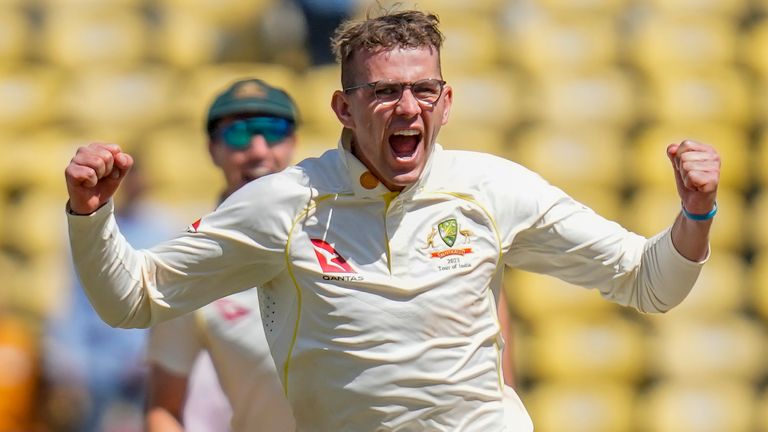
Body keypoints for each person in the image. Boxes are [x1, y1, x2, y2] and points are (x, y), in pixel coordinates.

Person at [63, 9, 720, 431]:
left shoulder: (492, 187)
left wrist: (696, 213)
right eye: (383, 92)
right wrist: (91, 217)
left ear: (446, 101)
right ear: (344, 108)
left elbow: (648, 281)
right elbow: (133, 299)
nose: (408, 107)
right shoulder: (284, 202)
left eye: (423, 90)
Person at [144, 78, 300, 431]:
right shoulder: (185, 264)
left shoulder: (339, 230)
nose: (259, 150)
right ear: (212, 149)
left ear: (293, 142)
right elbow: (163, 409)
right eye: (238, 133)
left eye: (273, 130)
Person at [45, 160, 174, 432]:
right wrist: (71, 356)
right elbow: (75, 298)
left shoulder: (160, 229)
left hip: (140, 365)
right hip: (98, 364)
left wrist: (152, 354)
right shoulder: (90, 232)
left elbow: (165, 295)